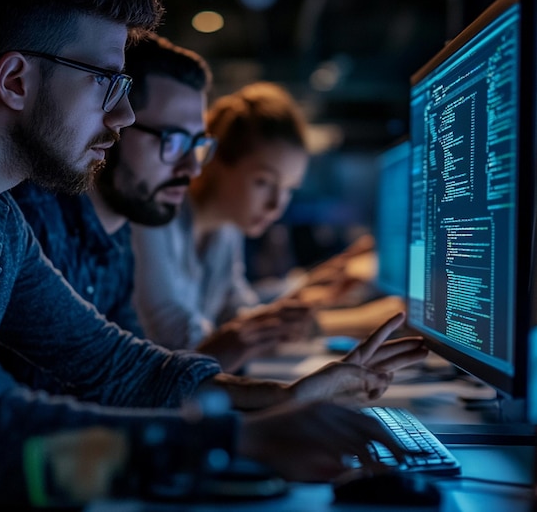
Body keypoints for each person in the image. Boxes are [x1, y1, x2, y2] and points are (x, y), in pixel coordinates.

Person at [0, 0, 427, 508]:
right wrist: (235, 441)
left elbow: (116, 367)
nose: (125, 115)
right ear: (14, 81)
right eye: (107, 83)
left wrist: (286, 395)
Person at [10, 34, 314, 376]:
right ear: (114, 123)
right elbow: (107, 382)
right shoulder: (30, 219)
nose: (192, 169)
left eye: (197, 144)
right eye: (174, 140)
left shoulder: (117, 242)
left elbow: (126, 377)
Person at [130, 82, 404, 360]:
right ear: (215, 160)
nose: (276, 205)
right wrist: (343, 321)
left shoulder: (226, 229)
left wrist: (317, 286)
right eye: (263, 182)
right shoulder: (155, 215)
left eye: (288, 189)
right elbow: (182, 343)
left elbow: (237, 312)